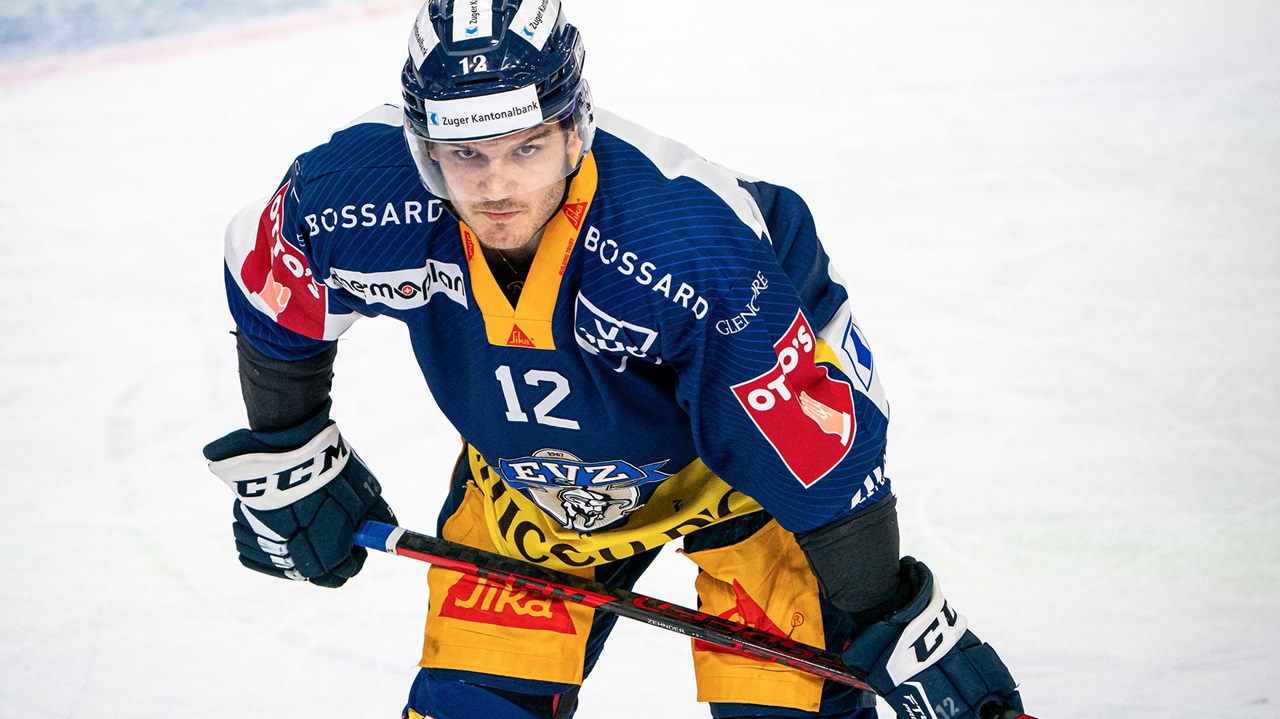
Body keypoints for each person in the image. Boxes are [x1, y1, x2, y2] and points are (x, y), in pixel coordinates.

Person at [204, 2, 1029, 718]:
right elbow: (274, 267)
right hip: (532, 481)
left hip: (746, 479)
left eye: (525, 148)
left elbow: (810, 445)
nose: (496, 186)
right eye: (466, 154)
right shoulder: (353, 193)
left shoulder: (684, 245)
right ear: (424, 148)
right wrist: (294, 452)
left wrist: (891, 614)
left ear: (574, 126)